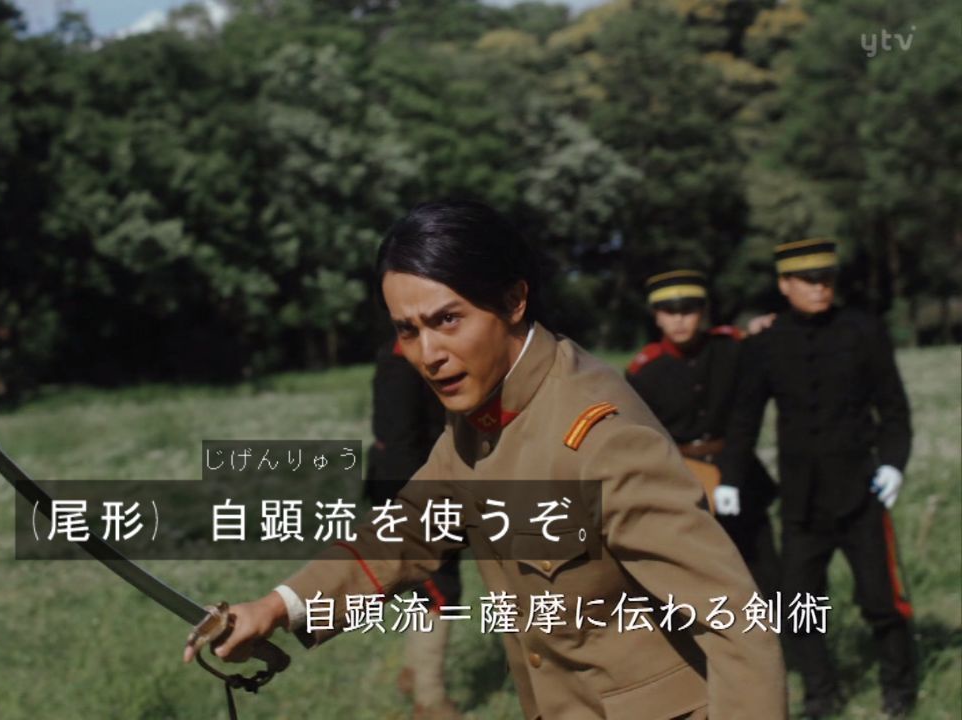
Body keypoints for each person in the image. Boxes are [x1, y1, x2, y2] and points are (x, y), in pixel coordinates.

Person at [184, 200, 786, 719]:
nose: (429, 354)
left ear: (514, 300)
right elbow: (410, 528)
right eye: (408, 330)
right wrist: (276, 607)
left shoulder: (599, 437)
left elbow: (737, 620)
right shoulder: (485, 412)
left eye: (448, 320)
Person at [721, 238, 916, 718]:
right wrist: (729, 478)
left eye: (826, 278)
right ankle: (820, 694)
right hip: (802, 501)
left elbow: (894, 410)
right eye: (808, 280)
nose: (820, 287)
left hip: (860, 492)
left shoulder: (864, 331)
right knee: (800, 605)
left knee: (881, 599)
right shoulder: (764, 344)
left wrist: (893, 463)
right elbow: (744, 419)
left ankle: (900, 689)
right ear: (785, 284)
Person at [626, 269, 779, 595]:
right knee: (696, 586)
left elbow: (744, 414)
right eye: (670, 311)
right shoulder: (645, 372)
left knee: (766, 579)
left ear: (703, 311)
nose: (680, 319)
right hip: (680, 481)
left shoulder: (731, 349)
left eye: (689, 310)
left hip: (739, 471)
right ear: (657, 317)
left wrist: (765, 328)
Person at [365, 337, 461, 720]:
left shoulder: (414, 351)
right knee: (440, 591)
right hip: (414, 490)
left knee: (428, 588)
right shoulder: (402, 361)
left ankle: (413, 674)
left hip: (432, 484)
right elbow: (399, 444)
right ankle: (431, 700)